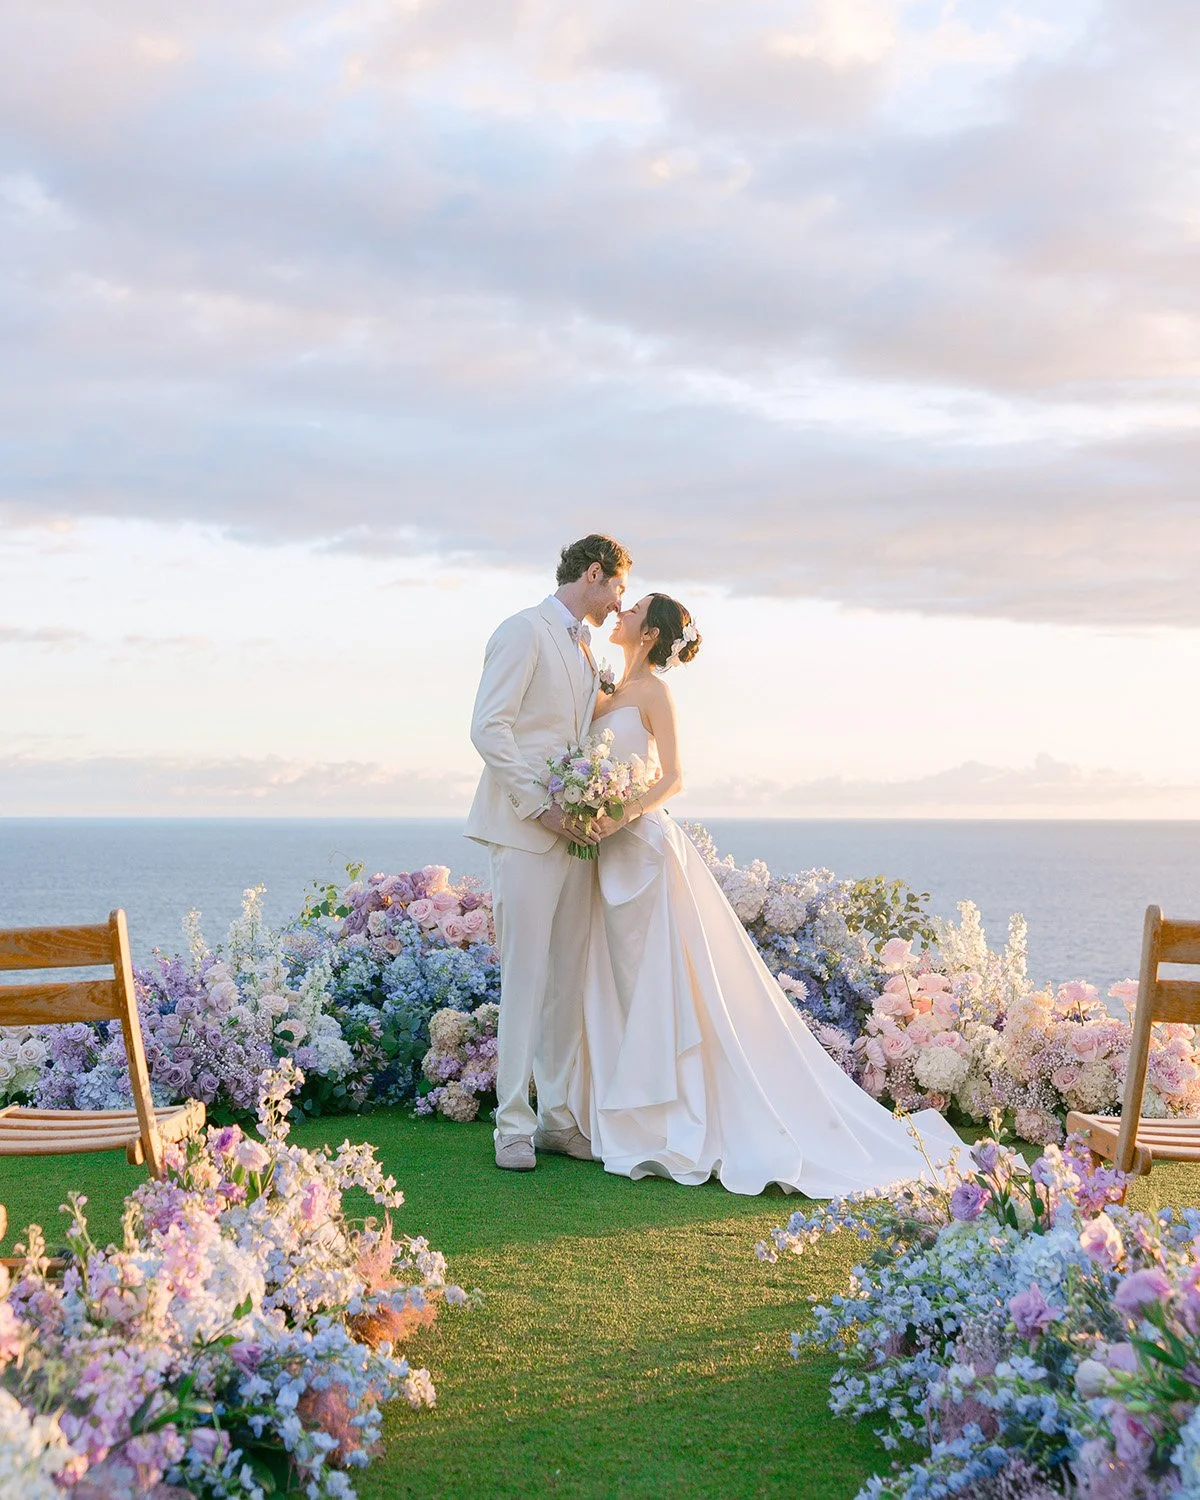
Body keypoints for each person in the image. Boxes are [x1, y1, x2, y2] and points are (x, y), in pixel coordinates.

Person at [569, 592, 963, 1195]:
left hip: (644, 852)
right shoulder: (609, 689)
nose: (619, 614)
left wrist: (616, 813)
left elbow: (673, 777)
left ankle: (674, 1118)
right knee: (619, 985)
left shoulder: (654, 694)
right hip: (606, 859)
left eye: (632, 609)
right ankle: (623, 1115)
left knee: (662, 985)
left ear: (648, 634)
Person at [466, 533, 631, 1171]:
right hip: (526, 830)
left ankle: (558, 1119)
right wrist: (544, 806)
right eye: (617, 588)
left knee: (566, 980)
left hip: (579, 838)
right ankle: (511, 1122)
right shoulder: (522, 630)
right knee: (527, 980)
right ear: (594, 574)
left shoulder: (587, 649)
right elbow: (488, 726)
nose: (620, 605)